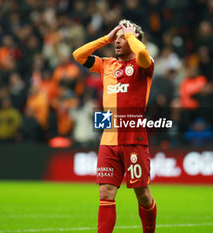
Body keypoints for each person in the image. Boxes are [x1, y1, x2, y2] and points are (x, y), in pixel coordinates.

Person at [73, 19, 157, 233]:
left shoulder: (142, 66)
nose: (117, 43)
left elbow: (144, 56)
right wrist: (106, 39)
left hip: (133, 140)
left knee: (143, 194)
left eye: (122, 39)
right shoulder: (107, 65)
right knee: (106, 193)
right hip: (108, 140)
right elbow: (78, 55)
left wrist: (131, 35)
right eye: (116, 40)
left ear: (133, 40)